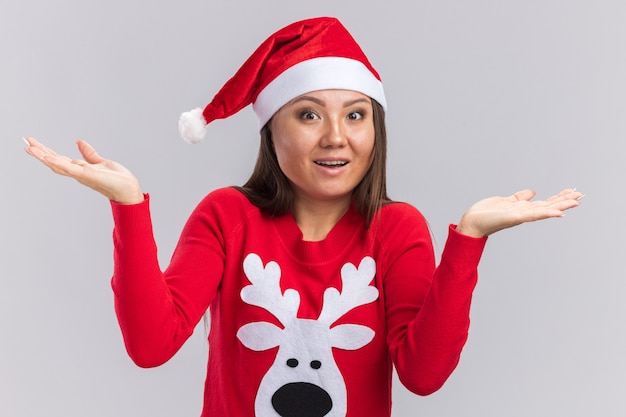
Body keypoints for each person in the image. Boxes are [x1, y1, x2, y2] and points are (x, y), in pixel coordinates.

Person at [24, 16, 582, 417]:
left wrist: (470, 238)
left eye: (356, 115)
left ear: (375, 128)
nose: (336, 137)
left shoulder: (397, 229)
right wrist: (128, 208)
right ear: (272, 129)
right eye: (309, 114)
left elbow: (423, 376)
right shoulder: (226, 216)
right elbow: (151, 346)